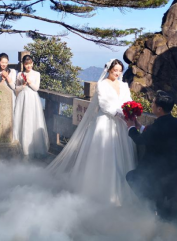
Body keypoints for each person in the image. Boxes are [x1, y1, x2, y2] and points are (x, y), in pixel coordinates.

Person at [47, 58, 137, 206]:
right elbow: (104, 105)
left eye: (120, 71)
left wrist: (130, 112)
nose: (118, 74)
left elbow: (128, 101)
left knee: (120, 156)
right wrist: (121, 114)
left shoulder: (124, 85)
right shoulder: (102, 85)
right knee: (106, 155)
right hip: (105, 123)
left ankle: (120, 192)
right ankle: (100, 191)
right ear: (108, 70)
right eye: (115, 71)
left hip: (121, 125)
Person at [125, 90, 177, 218]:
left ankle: (151, 211)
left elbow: (140, 140)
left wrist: (130, 127)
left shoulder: (155, 127)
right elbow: (156, 135)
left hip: (155, 172)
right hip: (173, 169)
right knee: (163, 200)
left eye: (153, 103)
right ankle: (160, 217)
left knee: (131, 177)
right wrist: (139, 126)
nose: (151, 105)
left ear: (159, 109)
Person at [13, 55, 49, 157]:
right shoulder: (20, 74)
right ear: (23, 64)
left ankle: (34, 147)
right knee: (22, 119)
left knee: (32, 120)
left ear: (32, 63)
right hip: (22, 98)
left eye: (30, 64)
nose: (28, 66)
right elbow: (17, 88)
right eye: (26, 64)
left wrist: (30, 82)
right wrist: (23, 84)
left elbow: (36, 88)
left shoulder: (37, 74)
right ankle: (21, 146)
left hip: (33, 99)